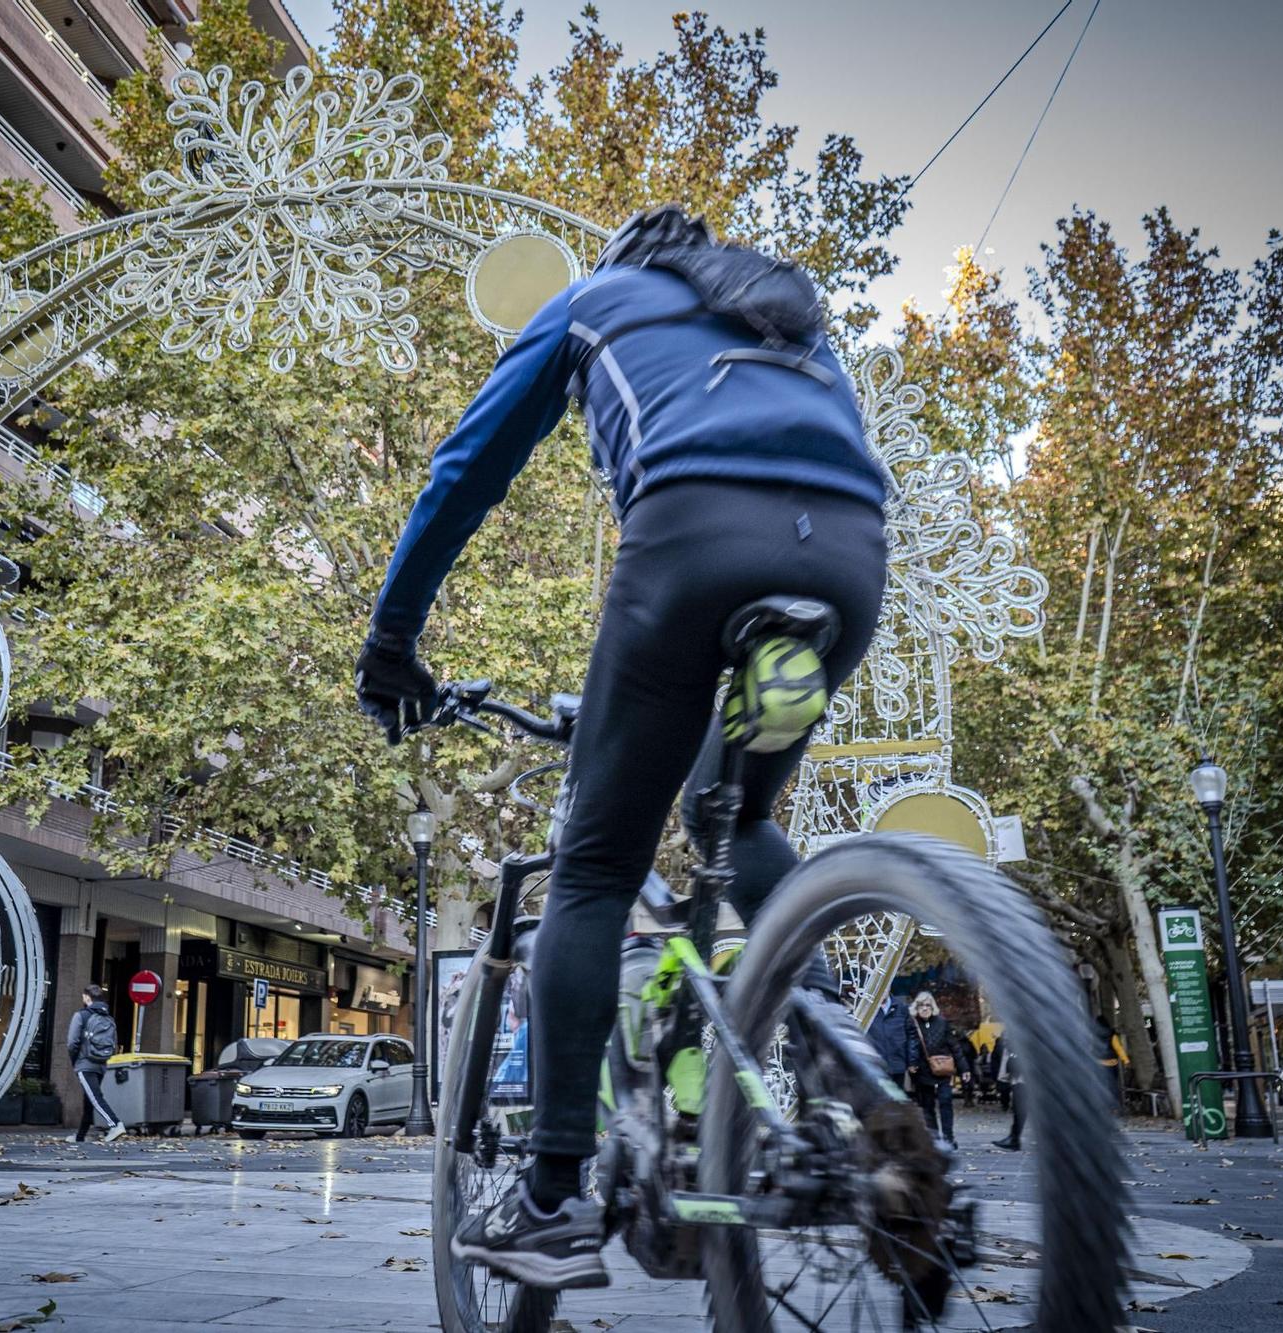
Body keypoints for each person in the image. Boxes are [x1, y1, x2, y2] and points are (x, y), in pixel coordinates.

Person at [354, 205, 890, 1291]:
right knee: (733, 818)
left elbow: (465, 469)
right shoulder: (791, 318)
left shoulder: (591, 300)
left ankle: (550, 1196)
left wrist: (391, 644)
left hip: (692, 539)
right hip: (848, 556)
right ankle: (850, 1058)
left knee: (596, 865)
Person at [905, 991, 967, 1148]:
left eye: (928, 1005)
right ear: (916, 1008)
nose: (925, 1008)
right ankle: (935, 1138)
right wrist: (912, 1063)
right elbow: (911, 1044)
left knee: (946, 1102)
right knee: (927, 1105)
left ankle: (948, 1137)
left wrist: (964, 1068)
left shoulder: (942, 1022)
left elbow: (954, 1045)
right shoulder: (912, 1023)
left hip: (942, 1068)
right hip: (922, 1070)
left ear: (933, 1006)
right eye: (921, 1005)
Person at [66, 983, 126, 1144]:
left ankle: (115, 1124)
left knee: (95, 1097)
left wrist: (75, 1061)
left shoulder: (81, 1015)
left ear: (87, 997)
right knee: (90, 1099)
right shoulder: (108, 1018)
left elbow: (72, 1042)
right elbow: (114, 1042)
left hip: (85, 1063)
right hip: (101, 1064)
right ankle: (80, 1136)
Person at [867, 992, 910, 1090]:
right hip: (876, 1065)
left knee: (897, 1099)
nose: (883, 990)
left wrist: (911, 1061)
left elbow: (910, 1034)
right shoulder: (867, 1008)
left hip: (897, 1063)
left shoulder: (901, 1007)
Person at [988, 1035, 1023, 1150]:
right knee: (1019, 1108)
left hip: (1022, 1074)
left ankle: (1014, 1138)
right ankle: (1014, 1137)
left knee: (1020, 1108)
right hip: (1019, 1075)